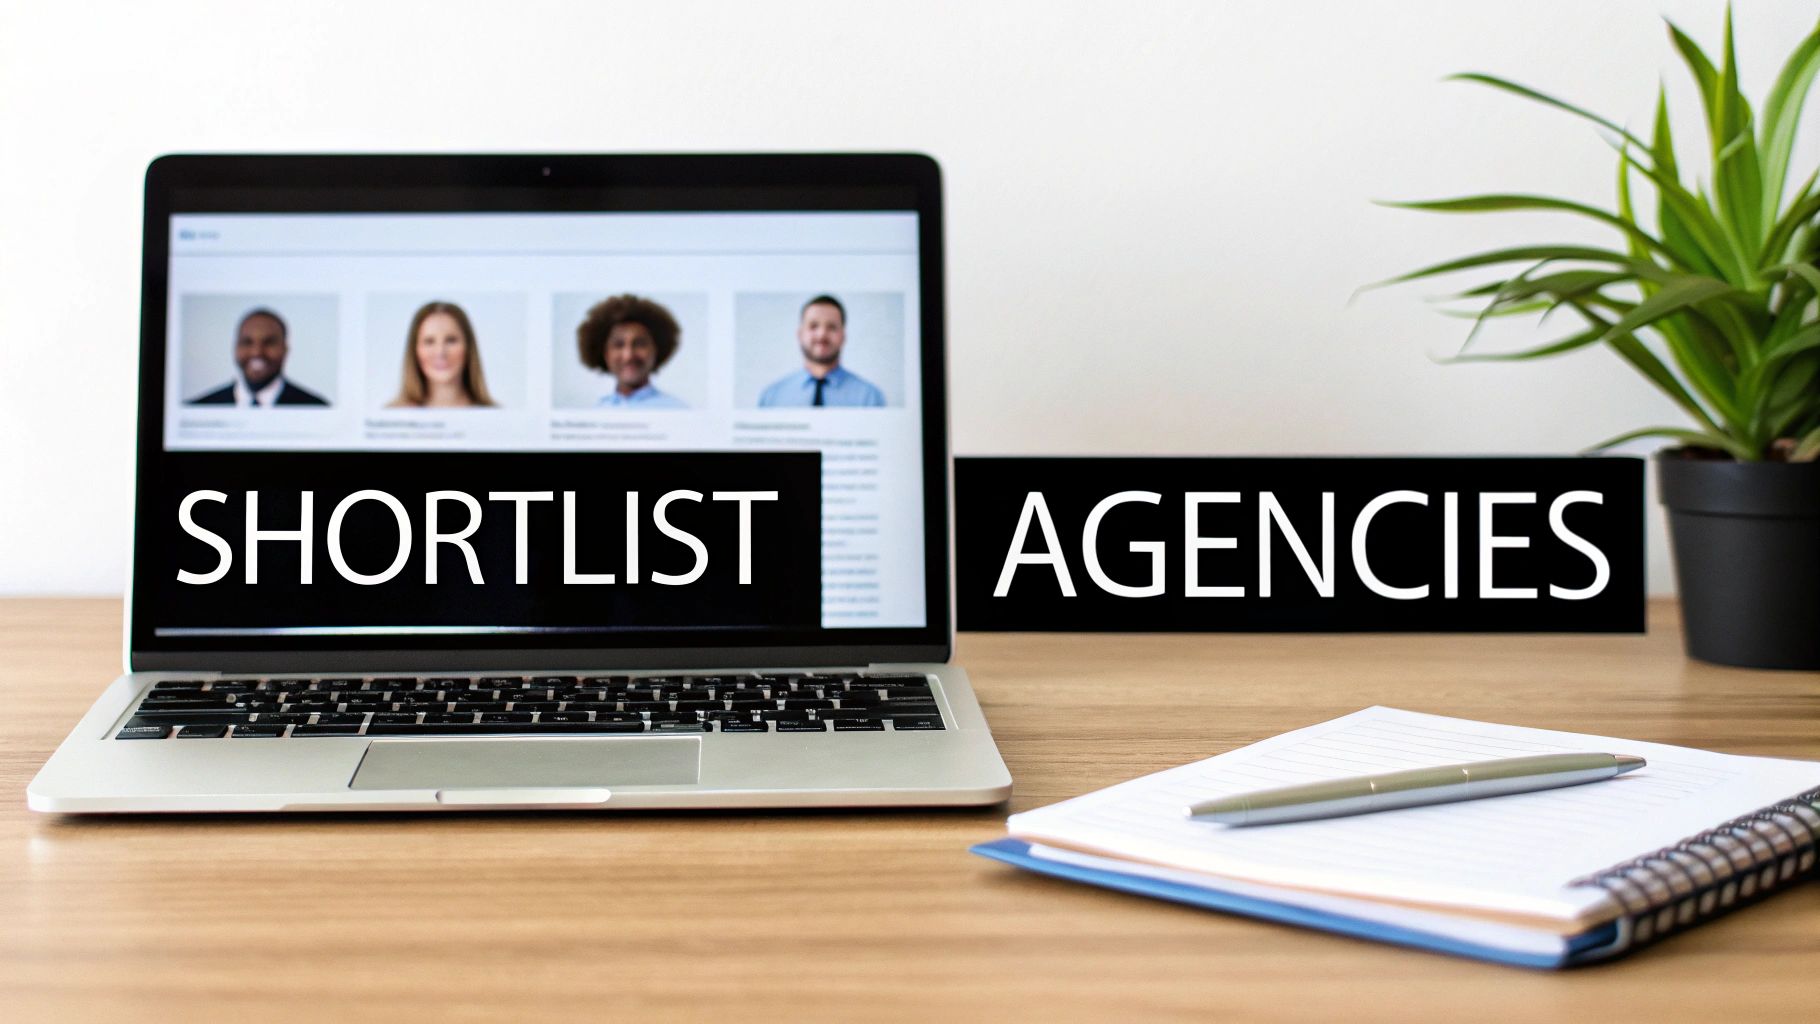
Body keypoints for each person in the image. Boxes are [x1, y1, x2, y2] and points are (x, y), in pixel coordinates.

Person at [756, 294, 885, 408]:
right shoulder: (771, 398)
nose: (822, 335)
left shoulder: (870, 398)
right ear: (800, 334)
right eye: (813, 326)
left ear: (843, 336)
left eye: (832, 327)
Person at [188, 307, 329, 406]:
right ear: (235, 347)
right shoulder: (198, 407)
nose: (257, 352)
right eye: (247, 342)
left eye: (269, 342)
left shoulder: (317, 407)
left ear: (285, 349)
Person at [576, 294, 687, 408]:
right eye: (618, 345)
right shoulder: (596, 411)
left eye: (640, 344)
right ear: (605, 353)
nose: (628, 356)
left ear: (656, 349)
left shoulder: (676, 410)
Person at [387, 301, 496, 408]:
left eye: (451, 340)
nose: (440, 352)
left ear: (468, 347)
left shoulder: (497, 418)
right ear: (415, 350)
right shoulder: (390, 417)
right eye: (429, 341)